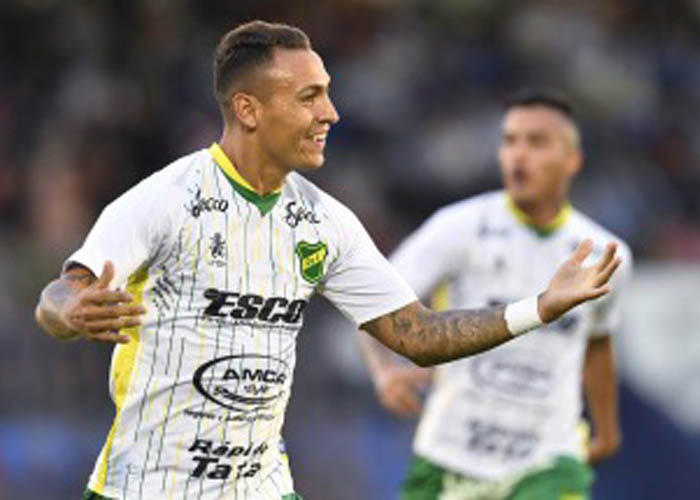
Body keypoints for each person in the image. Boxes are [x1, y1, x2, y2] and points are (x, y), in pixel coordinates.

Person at [34, 21, 620, 500]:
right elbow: (60, 294)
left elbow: (417, 335)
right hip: (144, 489)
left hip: (262, 489)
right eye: (309, 96)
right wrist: (70, 311)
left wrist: (538, 308)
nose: (331, 113)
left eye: (328, 92)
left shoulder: (324, 222)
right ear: (249, 109)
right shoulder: (163, 201)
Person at [357, 90, 633, 500]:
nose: (519, 154)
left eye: (537, 142)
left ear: (572, 160)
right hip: (450, 452)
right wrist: (383, 371)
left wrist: (607, 431)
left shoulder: (607, 255)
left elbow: (597, 341)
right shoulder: (459, 227)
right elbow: (373, 298)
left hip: (548, 459)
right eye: (509, 140)